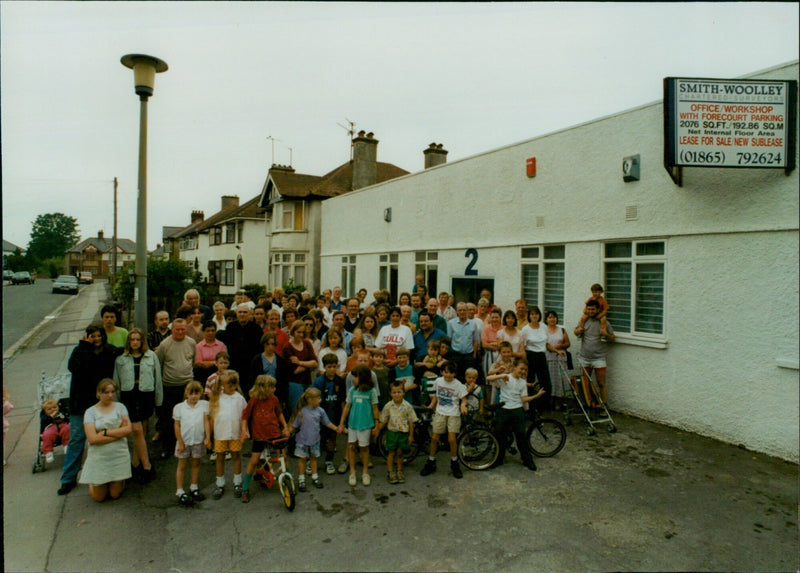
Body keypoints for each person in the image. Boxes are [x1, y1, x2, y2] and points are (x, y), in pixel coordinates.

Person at [59, 324, 122, 495]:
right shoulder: (79, 351)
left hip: (101, 404)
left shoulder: (109, 352)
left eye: (98, 335)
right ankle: (68, 478)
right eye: (92, 336)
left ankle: (110, 475)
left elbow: (122, 353)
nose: (96, 339)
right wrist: (84, 347)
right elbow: (75, 367)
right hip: (80, 404)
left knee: (106, 438)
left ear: (103, 336)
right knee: (77, 439)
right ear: (86, 337)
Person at [113, 327, 162, 483]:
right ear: (129, 342)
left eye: (138, 339)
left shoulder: (151, 356)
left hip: (145, 394)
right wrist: (116, 404)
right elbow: (116, 382)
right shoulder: (121, 359)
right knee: (136, 428)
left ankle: (134, 464)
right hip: (129, 396)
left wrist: (158, 400)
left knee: (141, 430)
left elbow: (158, 379)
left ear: (142, 341)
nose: (135, 342)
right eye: (132, 339)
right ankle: (147, 465)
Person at [79, 379, 133, 501]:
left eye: (113, 392)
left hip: (118, 453)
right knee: (99, 498)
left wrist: (104, 432)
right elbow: (92, 439)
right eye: (106, 392)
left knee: (115, 495)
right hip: (100, 455)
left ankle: (118, 480)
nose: (110, 395)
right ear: (99, 393)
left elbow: (128, 430)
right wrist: (118, 433)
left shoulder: (120, 407)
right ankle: (93, 481)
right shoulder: (90, 412)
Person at [487, 358, 543, 471]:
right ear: (514, 367)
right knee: (499, 435)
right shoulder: (506, 377)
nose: (523, 372)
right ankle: (498, 459)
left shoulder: (522, 383)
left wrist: (536, 396)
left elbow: (524, 399)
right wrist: (500, 376)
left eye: (526, 370)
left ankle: (527, 460)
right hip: (504, 409)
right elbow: (488, 378)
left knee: (521, 436)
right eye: (521, 369)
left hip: (517, 410)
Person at [240, 375, 289, 503]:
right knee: (254, 460)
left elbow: (279, 413)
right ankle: (245, 487)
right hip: (259, 436)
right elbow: (245, 416)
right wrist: (244, 430)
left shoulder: (274, 399)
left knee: (283, 455)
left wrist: (285, 426)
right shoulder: (254, 400)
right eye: (272, 387)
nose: (274, 389)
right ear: (262, 388)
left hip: (274, 432)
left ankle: (287, 477)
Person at [155, 318, 196, 459]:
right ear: (172, 330)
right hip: (169, 386)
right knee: (169, 419)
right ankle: (167, 447)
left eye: (182, 329)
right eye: (177, 329)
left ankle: (189, 446)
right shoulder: (164, 345)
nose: (180, 332)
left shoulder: (191, 343)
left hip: (187, 386)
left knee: (188, 418)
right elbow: (158, 365)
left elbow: (193, 362)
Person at [419, 360, 468, 479]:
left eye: (451, 373)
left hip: (453, 414)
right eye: (445, 372)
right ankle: (431, 461)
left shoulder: (458, 385)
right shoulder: (438, 381)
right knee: (435, 438)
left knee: (452, 439)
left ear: (455, 374)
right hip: (440, 412)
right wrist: (431, 406)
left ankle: (454, 462)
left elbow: (464, 399)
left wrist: (462, 405)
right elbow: (436, 396)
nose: (448, 375)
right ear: (441, 372)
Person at [289, 387, 339, 492]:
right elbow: (294, 426)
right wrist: (288, 433)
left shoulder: (320, 411)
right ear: (310, 400)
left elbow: (327, 422)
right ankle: (301, 479)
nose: (320, 400)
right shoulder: (301, 412)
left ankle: (315, 477)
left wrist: (336, 428)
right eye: (318, 398)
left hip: (315, 440)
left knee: (313, 459)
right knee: (302, 460)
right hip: (302, 441)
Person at [338, 365, 379, 487]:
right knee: (351, 446)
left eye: (355, 377)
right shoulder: (352, 391)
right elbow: (347, 406)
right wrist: (341, 423)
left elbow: (375, 409)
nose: (353, 379)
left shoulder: (372, 392)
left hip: (365, 425)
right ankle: (352, 472)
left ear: (362, 377)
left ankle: (365, 473)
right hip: (352, 424)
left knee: (364, 448)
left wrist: (376, 424)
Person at [209, 369, 247, 499]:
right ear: (222, 385)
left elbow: (244, 416)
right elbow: (211, 417)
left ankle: (237, 482)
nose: (232, 388)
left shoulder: (239, 398)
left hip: (235, 433)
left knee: (236, 456)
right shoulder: (217, 398)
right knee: (220, 457)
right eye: (229, 385)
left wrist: (244, 430)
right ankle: (220, 483)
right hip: (220, 434)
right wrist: (208, 436)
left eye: (234, 384)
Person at [173, 381, 211, 506]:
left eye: (197, 393)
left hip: (198, 441)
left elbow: (206, 422)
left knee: (196, 463)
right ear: (186, 394)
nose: (194, 396)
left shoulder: (204, 405)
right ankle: (179, 490)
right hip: (184, 441)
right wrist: (180, 442)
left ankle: (194, 487)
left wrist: (208, 438)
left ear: (201, 393)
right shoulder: (179, 408)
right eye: (191, 393)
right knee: (182, 465)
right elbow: (177, 425)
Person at [374, 380, 418, 484]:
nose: (397, 394)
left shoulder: (407, 406)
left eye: (399, 392)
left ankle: (399, 471)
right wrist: (377, 430)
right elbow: (383, 420)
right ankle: (390, 472)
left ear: (403, 392)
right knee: (391, 452)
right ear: (391, 394)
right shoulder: (388, 406)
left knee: (400, 452)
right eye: (394, 392)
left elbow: (411, 421)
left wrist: (411, 436)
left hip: (403, 433)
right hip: (392, 433)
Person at [574, 299, 615, 404]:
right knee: (584, 383)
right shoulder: (583, 321)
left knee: (601, 383)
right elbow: (576, 332)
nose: (591, 311)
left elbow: (613, 338)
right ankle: (586, 405)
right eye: (589, 309)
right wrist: (577, 331)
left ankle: (603, 406)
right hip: (584, 358)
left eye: (593, 309)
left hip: (599, 359)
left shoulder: (604, 322)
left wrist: (606, 334)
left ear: (597, 310)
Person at [218, 305, 263, 398]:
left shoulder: (256, 328)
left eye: (245, 312)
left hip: (251, 366)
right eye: (240, 312)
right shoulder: (231, 327)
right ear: (237, 314)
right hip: (235, 365)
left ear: (250, 314)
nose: (242, 314)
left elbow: (259, 349)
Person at [314, 353, 347, 475]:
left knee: (332, 439)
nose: (332, 369)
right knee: (317, 439)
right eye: (329, 367)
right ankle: (311, 461)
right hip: (320, 416)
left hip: (334, 415)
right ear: (324, 367)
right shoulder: (319, 382)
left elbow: (343, 401)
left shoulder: (340, 381)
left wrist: (342, 421)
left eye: (334, 366)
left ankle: (329, 461)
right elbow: (313, 401)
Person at [521, 306, 552, 410]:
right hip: (530, 356)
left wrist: (557, 351)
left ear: (539, 315)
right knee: (530, 382)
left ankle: (543, 406)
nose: (535, 316)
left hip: (541, 356)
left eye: (536, 314)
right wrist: (524, 362)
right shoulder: (525, 329)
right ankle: (530, 407)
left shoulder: (544, 327)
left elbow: (547, 344)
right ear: (529, 316)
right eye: (532, 314)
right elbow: (523, 347)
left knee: (545, 382)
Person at [447, 302, 480, 382]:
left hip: (469, 355)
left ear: (467, 311)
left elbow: (475, 340)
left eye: (464, 310)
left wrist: (474, 354)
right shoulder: (451, 323)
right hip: (456, 355)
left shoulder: (473, 324)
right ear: (457, 311)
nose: (462, 312)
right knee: (456, 377)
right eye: (460, 310)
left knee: (469, 378)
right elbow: (449, 340)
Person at [545, 310, 571, 404]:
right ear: (546, 319)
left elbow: (568, 343)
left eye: (554, 317)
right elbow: (544, 344)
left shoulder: (562, 330)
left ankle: (559, 401)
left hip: (560, 358)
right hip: (549, 358)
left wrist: (561, 346)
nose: (552, 319)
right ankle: (550, 402)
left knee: (560, 380)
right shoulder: (544, 330)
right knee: (551, 380)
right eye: (550, 317)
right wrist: (553, 349)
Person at [194, 321, 227, 385]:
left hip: (219, 377)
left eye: (213, 330)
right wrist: (215, 362)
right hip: (202, 377)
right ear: (203, 332)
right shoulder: (198, 346)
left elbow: (224, 362)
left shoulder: (222, 345)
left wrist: (206, 362)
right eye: (208, 331)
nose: (210, 333)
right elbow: (198, 363)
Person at [40, 399, 70, 464]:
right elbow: (43, 422)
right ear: (45, 411)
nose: (53, 410)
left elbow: (67, 419)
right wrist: (50, 417)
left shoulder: (61, 413)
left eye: (55, 407)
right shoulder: (45, 417)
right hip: (50, 427)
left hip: (62, 425)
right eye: (49, 409)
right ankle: (48, 452)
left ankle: (67, 445)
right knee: (47, 435)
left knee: (67, 429)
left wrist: (63, 416)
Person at [481, 309, 503, 378]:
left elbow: (503, 345)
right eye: (492, 317)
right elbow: (484, 344)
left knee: (500, 373)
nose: (494, 319)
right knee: (489, 373)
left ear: (500, 318)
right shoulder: (486, 328)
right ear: (490, 318)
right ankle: (489, 387)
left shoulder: (503, 328)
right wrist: (496, 344)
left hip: (501, 353)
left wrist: (490, 344)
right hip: (488, 353)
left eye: (496, 317)